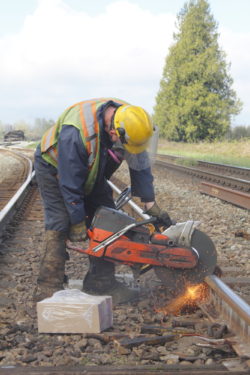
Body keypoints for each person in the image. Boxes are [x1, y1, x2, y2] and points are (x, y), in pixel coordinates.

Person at [33, 97, 173, 304]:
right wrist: (78, 220)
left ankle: (100, 282)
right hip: (53, 167)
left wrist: (150, 204)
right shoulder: (77, 132)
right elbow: (71, 183)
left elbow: (140, 164)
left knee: (109, 219)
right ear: (114, 133)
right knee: (60, 222)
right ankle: (48, 288)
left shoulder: (131, 122)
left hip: (90, 166)